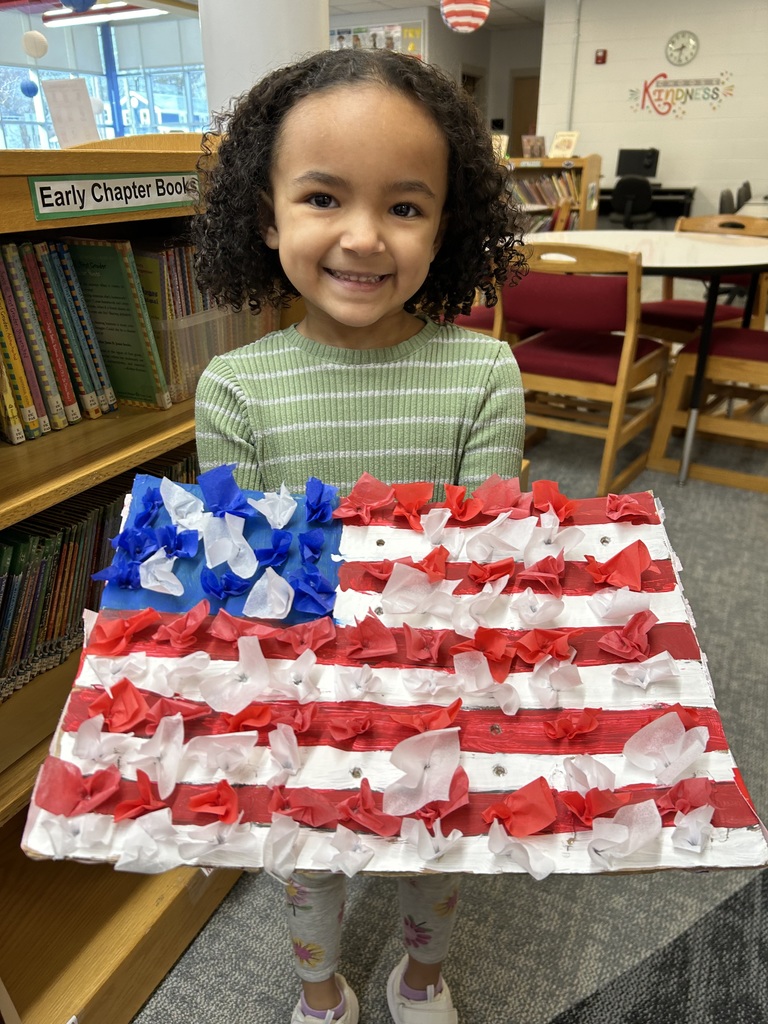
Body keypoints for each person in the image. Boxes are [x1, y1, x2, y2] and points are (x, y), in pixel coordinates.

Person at [193, 46, 527, 1024]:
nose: (365, 238)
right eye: (324, 197)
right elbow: (238, 566)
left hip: (434, 677)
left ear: (444, 224)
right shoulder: (235, 387)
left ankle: (420, 977)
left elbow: (492, 548)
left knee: (433, 849)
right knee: (308, 852)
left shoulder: (485, 373)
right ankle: (320, 989)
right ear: (266, 215)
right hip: (304, 683)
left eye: (406, 206)